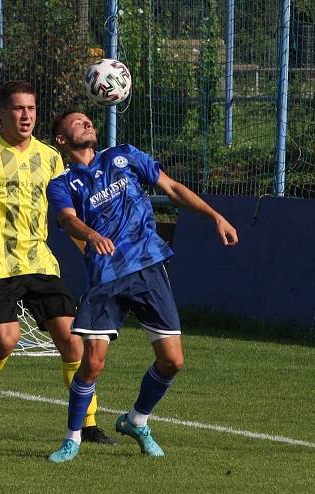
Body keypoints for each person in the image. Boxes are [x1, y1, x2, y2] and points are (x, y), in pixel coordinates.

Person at [45, 110, 239, 462]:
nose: (87, 123)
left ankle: (137, 419)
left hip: (148, 267)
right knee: (93, 364)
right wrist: (91, 234)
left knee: (173, 361)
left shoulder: (125, 155)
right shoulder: (62, 183)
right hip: (106, 276)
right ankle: (73, 437)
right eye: (76, 122)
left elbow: (173, 188)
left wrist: (215, 216)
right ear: (61, 139)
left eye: (88, 119)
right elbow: (66, 219)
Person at [0, 81, 114, 444]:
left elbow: (66, 213)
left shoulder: (51, 158)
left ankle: (88, 423)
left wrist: (89, 251)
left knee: (73, 343)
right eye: (19, 109)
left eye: (32, 109)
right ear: (3, 113)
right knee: (6, 341)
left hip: (40, 261)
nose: (26, 116)